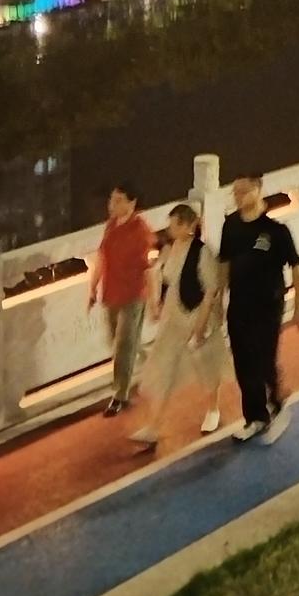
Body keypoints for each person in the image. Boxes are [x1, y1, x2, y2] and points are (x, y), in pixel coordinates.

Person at [196, 173, 299, 444]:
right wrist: (220, 300)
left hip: (268, 305)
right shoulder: (231, 225)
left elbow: (296, 268)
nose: (237, 196)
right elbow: (224, 263)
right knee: (243, 362)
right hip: (239, 304)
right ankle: (255, 417)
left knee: (264, 359)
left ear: (258, 190)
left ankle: (274, 392)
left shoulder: (276, 231)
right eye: (234, 192)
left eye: (243, 191)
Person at [129, 204, 224, 447]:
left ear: (188, 226)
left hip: (196, 314)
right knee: (164, 368)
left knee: (206, 365)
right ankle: (154, 425)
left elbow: (210, 290)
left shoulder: (202, 252)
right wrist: (155, 303)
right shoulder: (169, 248)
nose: (170, 229)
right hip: (173, 316)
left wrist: (201, 326)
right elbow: (158, 275)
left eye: (174, 225)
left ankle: (213, 409)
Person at [87, 181, 153, 416]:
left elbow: (148, 268)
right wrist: (92, 288)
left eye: (118, 200)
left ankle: (119, 395)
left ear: (132, 203)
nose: (111, 205)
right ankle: (149, 362)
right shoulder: (111, 226)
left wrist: (154, 299)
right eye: (111, 200)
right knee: (117, 342)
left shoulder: (141, 230)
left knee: (124, 345)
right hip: (111, 292)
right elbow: (101, 258)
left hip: (133, 294)